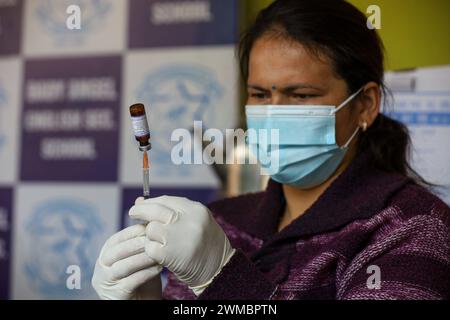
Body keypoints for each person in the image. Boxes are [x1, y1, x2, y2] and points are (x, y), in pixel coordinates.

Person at [92, 0, 450, 300]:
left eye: (301, 95)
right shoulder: (222, 222)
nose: (274, 113)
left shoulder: (414, 229)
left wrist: (222, 279)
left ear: (365, 104)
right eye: (260, 95)